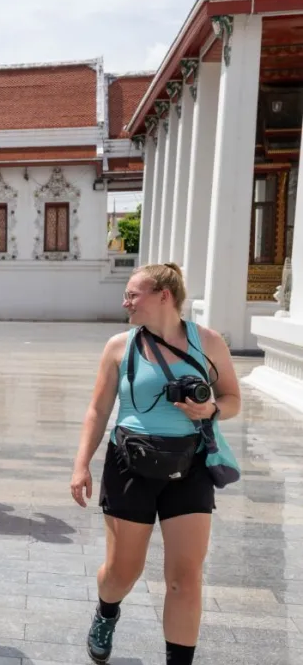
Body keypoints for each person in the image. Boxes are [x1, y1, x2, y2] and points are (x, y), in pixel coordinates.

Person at [70, 263, 241, 665]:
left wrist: (211, 408)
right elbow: (98, 410)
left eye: (133, 294)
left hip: (190, 464)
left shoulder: (209, 342)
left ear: (164, 296)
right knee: (121, 573)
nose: (125, 301)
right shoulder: (119, 346)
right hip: (130, 464)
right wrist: (82, 464)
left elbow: (233, 399)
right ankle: (106, 610)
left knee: (185, 580)